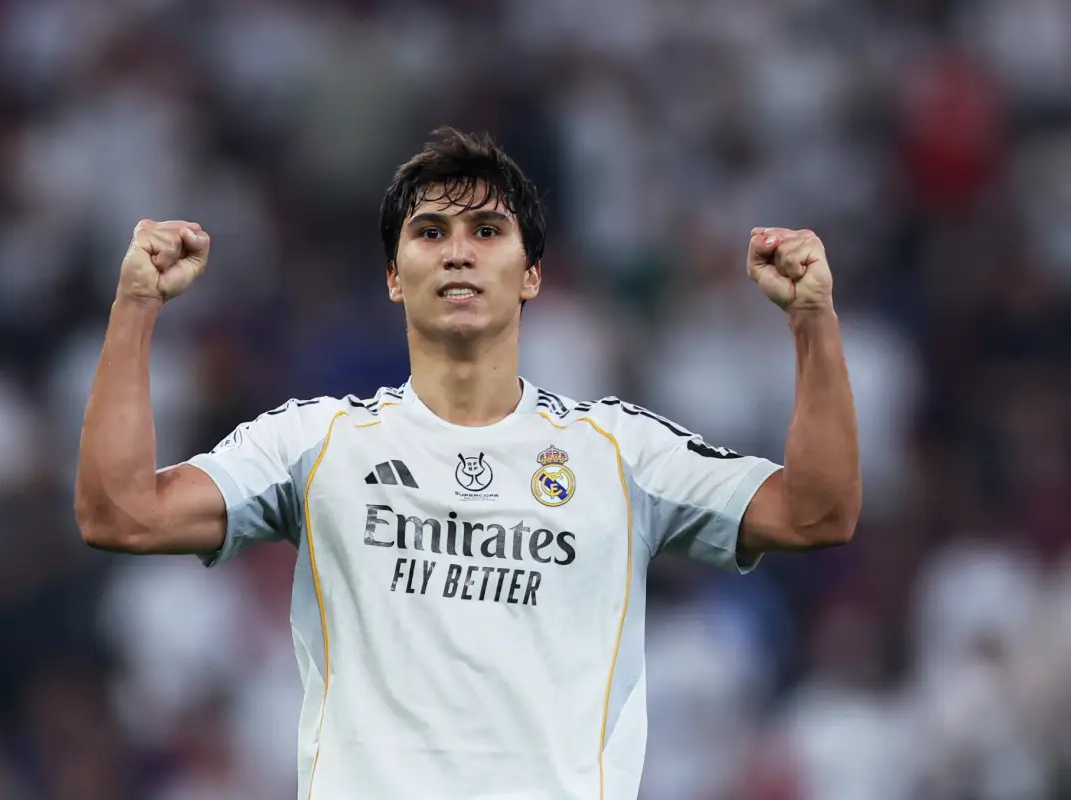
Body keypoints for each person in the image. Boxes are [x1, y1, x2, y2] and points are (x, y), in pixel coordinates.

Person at [74, 127, 861, 800]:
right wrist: (136, 306)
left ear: (531, 274)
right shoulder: (313, 443)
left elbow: (816, 512)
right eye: (429, 232)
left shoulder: (620, 452)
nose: (457, 252)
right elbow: (122, 514)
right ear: (393, 277)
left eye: (487, 231)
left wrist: (812, 322)